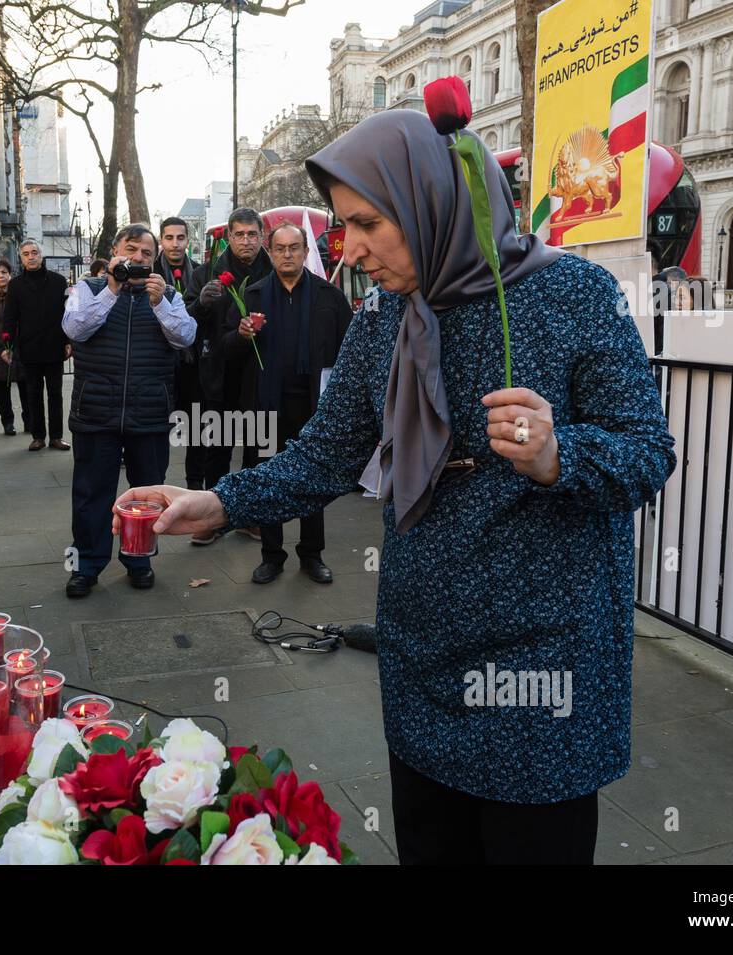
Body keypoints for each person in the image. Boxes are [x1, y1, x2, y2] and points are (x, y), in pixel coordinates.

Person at [114, 108, 675, 864]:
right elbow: (325, 454)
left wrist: (556, 454)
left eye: (372, 223)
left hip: (548, 669)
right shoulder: (383, 317)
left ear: (430, 202)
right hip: (424, 657)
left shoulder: (574, 293)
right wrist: (215, 503)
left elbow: (646, 451)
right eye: (343, 226)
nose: (353, 249)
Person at [62, 224, 195, 598]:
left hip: (149, 412)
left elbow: (185, 337)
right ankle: (85, 566)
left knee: (147, 496)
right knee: (91, 494)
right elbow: (75, 328)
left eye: (146, 254)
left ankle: (139, 559)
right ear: (115, 251)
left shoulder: (167, 294)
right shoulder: (87, 289)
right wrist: (112, 289)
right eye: (131, 249)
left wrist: (160, 304)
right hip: (95, 412)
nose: (138, 258)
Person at [223, 222, 351, 585]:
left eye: (294, 248)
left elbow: (349, 351)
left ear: (305, 252)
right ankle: (271, 555)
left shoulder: (329, 296)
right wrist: (241, 334)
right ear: (271, 251)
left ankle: (312, 554)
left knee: (313, 480)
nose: (287, 255)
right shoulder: (254, 294)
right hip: (266, 403)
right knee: (268, 480)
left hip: (314, 405)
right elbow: (226, 348)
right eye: (280, 248)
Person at [184, 208, 273, 543]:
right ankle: (212, 518)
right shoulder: (207, 271)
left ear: (262, 236)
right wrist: (202, 304)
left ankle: (251, 516)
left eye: (252, 234)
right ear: (229, 237)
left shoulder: (274, 268)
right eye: (239, 234)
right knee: (217, 445)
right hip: (218, 371)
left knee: (257, 446)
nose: (246, 241)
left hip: (259, 370)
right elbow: (186, 322)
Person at [5, 240, 71, 451]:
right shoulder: (15, 285)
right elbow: (10, 317)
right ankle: (38, 436)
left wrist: (69, 341)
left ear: (41, 256)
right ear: (21, 258)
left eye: (34, 252)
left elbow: (68, 314)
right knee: (33, 394)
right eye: (26, 254)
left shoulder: (59, 281)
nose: (31, 257)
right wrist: (8, 345)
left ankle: (56, 437)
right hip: (29, 347)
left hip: (54, 345)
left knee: (55, 394)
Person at [155, 217, 204, 489]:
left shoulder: (199, 272)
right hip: (160, 366)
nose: (175, 244)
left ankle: (195, 489)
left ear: (187, 240)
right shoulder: (149, 273)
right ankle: (156, 489)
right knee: (159, 433)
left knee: (197, 431)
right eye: (169, 238)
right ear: (161, 240)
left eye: (180, 238)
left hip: (193, 365)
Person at [0, 259, 31, 437]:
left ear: (9, 274)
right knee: (2, 388)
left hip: (19, 346)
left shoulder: (18, 291)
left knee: (26, 386)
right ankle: (8, 423)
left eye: (4, 272)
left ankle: (29, 421)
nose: (1, 276)